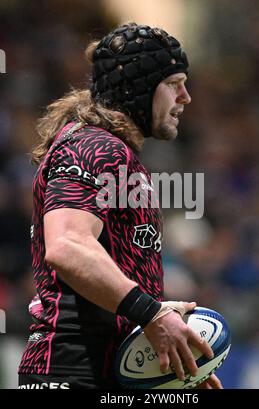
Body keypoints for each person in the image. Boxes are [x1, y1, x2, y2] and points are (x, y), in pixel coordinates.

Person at [18, 22, 222, 390]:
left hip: (102, 370)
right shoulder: (95, 146)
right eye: (174, 83)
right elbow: (68, 246)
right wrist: (152, 315)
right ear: (140, 89)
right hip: (72, 371)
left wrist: (171, 355)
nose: (186, 97)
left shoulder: (109, 149)